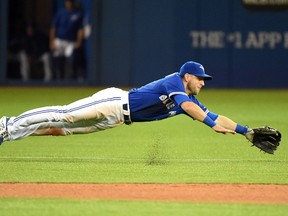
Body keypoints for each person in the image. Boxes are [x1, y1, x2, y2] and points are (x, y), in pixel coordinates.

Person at [0, 61, 252, 145]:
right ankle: (8, 124)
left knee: (59, 130)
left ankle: (10, 135)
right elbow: (190, 109)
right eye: (200, 79)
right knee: (66, 114)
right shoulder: (175, 82)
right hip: (114, 101)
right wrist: (210, 125)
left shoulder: (189, 99)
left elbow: (216, 117)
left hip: (117, 119)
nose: (203, 83)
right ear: (188, 76)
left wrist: (246, 132)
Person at [50, 0, 84, 80]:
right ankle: (56, 79)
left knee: (70, 60)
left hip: (70, 41)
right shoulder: (60, 13)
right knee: (57, 59)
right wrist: (51, 41)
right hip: (59, 40)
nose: (69, 3)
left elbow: (80, 29)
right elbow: (53, 27)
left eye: (70, 2)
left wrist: (79, 41)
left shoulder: (77, 14)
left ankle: (68, 80)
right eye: (67, 2)